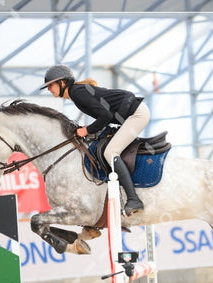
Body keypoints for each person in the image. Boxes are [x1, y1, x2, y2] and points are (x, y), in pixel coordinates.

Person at [41, 64, 149, 215]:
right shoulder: (76, 93)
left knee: (111, 152)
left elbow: (106, 116)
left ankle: (133, 199)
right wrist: (89, 129)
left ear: (62, 82)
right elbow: (104, 116)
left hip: (136, 114)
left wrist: (86, 130)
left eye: (50, 85)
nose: (48, 89)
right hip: (131, 113)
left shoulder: (77, 93)